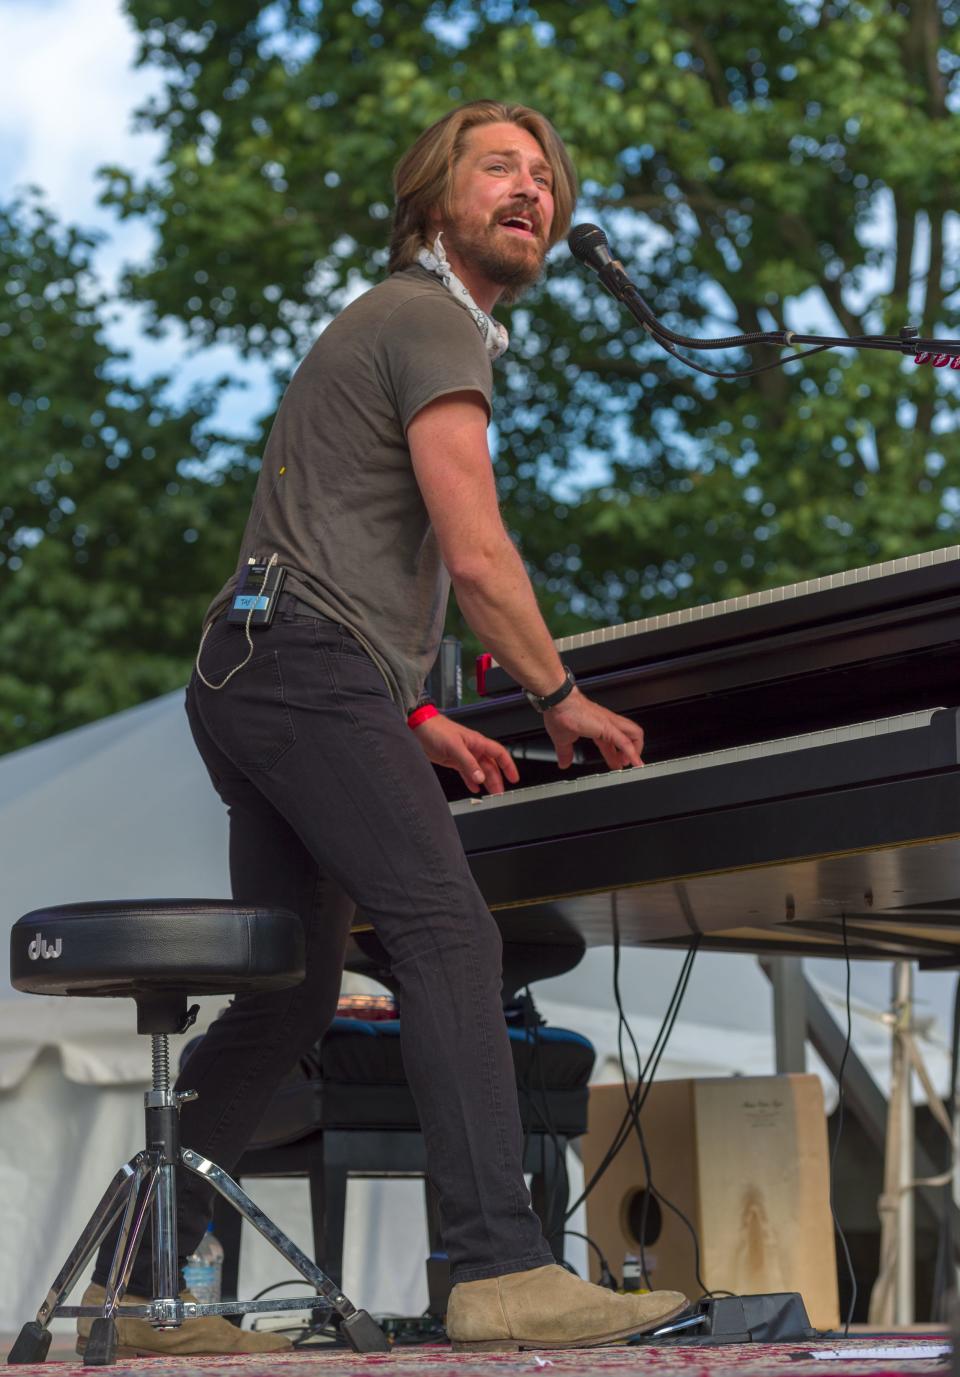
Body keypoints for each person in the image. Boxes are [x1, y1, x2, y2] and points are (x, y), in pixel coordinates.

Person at [79, 100, 687, 1357]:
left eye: (545, 177)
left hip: (259, 667)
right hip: (299, 669)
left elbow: (331, 554)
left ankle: (145, 1296)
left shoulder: (386, 323)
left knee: (291, 996)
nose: (532, 191)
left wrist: (411, 711)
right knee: (447, 932)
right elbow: (475, 550)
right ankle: (496, 1266)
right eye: (498, 170)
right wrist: (559, 695)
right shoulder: (425, 318)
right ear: (433, 204)